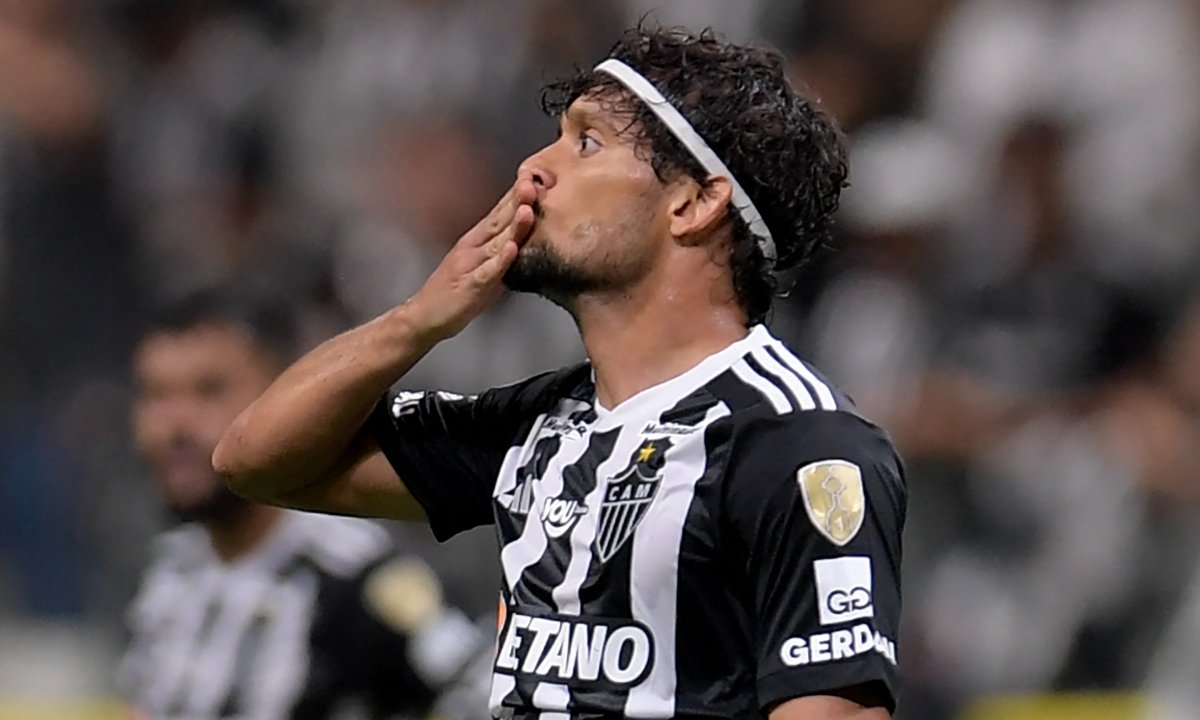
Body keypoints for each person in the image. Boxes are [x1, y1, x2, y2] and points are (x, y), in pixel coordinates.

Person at [215, 26, 906, 720]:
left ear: (694, 204)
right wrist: (418, 319)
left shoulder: (797, 445)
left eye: (586, 142)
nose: (533, 171)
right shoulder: (541, 425)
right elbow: (256, 460)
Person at [121, 286, 491, 719]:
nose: (174, 425)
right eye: (156, 394)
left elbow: (487, 692)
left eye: (209, 390)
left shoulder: (359, 577)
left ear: (281, 403)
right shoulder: (173, 571)